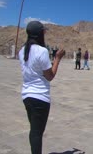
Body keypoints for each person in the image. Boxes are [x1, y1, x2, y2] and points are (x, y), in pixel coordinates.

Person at [19, 21, 66, 154]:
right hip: (40, 97)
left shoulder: (22, 51)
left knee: (34, 130)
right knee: (37, 132)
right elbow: (50, 76)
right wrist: (57, 59)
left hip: (26, 95)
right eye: (44, 32)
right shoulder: (42, 51)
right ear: (40, 34)